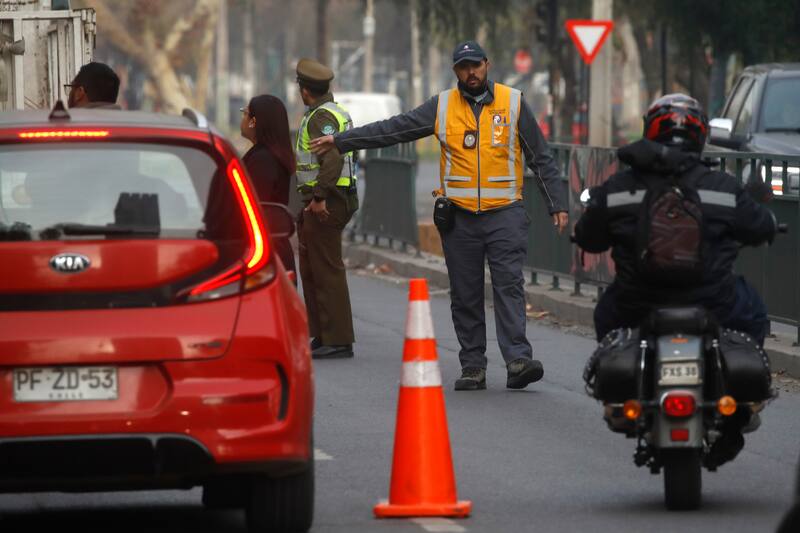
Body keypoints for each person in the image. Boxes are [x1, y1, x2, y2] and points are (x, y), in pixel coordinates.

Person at [311, 40, 568, 390]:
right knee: (465, 293)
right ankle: (473, 366)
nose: (471, 72)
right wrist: (343, 141)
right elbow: (393, 128)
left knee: (509, 285)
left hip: (504, 214)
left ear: (487, 65)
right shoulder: (442, 106)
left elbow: (541, 157)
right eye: (464, 67)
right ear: (456, 71)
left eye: (476, 65)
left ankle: (518, 360)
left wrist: (557, 203)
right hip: (460, 219)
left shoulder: (513, 102)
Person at [573, 93, 777, 347]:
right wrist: (769, 224)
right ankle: (747, 387)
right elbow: (758, 227)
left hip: (636, 302)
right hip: (713, 301)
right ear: (702, 135)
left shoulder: (620, 187)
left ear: (650, 130)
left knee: (605, 317)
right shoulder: (722, 187)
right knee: (755, 313)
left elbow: (589, 238)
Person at [294, 58, 359, 359]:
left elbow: (331, 158)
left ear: (305, 90)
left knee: (327, 270)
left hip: (328, 200)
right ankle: (322, 335)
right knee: (315, 269)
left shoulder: (321, 117)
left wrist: (319, 196)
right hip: (325, 199)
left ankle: (338, 339)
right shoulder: (328, 113)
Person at [240, 95, 297, 276]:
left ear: (253, 122)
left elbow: (254, 205)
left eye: (245, 114)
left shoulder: (263, 160)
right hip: (271, 247)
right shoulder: (266, 155)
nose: (243, 118)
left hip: (265, 251)